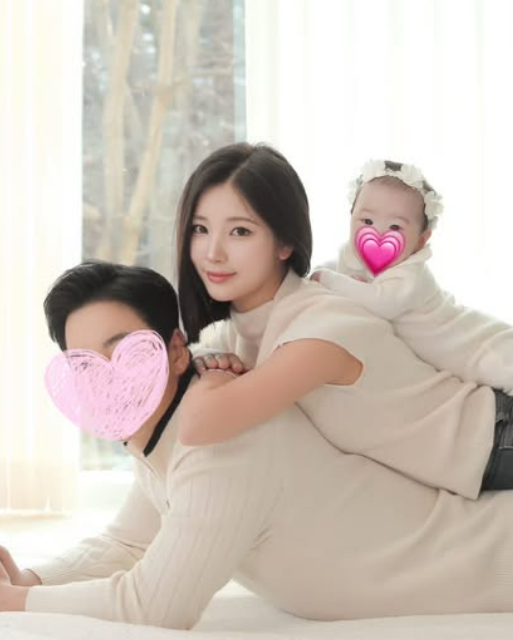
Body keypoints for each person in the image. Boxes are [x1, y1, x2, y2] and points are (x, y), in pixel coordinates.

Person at [4, 265, 513, 626]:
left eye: (125, 354)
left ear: (177, 351)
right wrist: (31, 580)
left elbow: (154, 607)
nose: (107, 380)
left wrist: (15, 604)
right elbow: (129, 543)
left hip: (493, 556)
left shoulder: (221, 445)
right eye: (85, 365)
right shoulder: (165, 428)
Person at [175, 142, 513, 497]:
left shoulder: (317, 329)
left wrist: (213, 376)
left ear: (285, 242)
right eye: (200, 229)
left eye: (240, 231)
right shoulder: (247, 328)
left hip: (494, 436)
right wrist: (208, 359)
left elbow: (197, 425)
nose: (213, 252)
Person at [314, 158, 513, 396]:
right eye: (367, 221)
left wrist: (325, 279)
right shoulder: (352, 255)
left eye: (395, 227)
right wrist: (316, 275)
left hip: (480, 345)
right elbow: (334, 272)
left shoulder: (412, 274)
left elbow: (381, 302)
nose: (378, 233)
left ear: (421, 240)